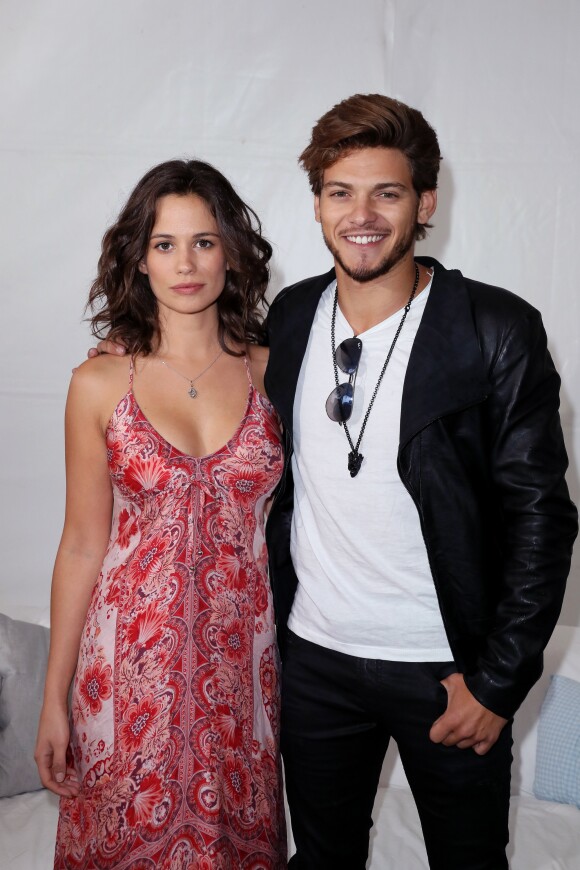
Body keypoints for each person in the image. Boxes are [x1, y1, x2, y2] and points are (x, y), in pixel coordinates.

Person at [91, 95, 578, 870]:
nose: (362, 215)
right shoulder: (289, 319)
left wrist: (496, 682)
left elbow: (541, 520)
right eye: (340, 192)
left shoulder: (495, 329)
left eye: (386, 192)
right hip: (311, 664)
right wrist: (136, 343)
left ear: (425, 203)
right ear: (317, 204)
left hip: (446, 670)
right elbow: (203, 366)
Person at [35, 159, 287, 869]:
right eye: (166, 244)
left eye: (204, 242)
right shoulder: (99, 382)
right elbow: (82, 546)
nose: (187, 263)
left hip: (243, 673)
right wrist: (54, 700)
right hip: (124, 679)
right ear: (139, 259)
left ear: (232, 253)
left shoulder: (278, 373)